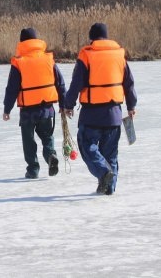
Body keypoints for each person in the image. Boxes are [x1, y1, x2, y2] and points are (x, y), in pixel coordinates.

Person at [61, 22, 137, 195]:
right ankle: (108, 187)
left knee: (87, 145)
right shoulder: (119, 56)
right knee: (110, 154)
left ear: (91, 38)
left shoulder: (87, 55)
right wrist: (131, 105)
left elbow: (76, 83)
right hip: (114, 115)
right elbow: (129, 83)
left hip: (92, 114)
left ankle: (104, 173)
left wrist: (68, 104)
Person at [3, 28, 66, 179]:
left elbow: (12, 88)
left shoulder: (19, 62)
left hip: (27, 111)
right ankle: (51, 156)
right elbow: (60, 83)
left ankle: (33, 169)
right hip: (46, 109)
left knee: (28, 141)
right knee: (47, 137)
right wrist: (64, 105)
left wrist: (7, 109)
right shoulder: (48, 60)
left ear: (22, 42)